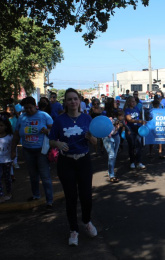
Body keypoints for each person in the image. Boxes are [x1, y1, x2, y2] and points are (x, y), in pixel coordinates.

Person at [49, 88, 97, 246]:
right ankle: (73, 230)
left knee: (86, 196)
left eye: (75, 99)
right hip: (66, 162)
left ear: (79, 100)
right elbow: (51, 140)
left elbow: (95, 142)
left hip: (83, 161)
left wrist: (91, 138)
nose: (73, 102)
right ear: (65, 102)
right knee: (70, 197)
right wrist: (58, 143)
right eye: (69, 99)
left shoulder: (87, 118)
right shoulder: (59, 120)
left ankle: (86, 221)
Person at [11, 96, 53, 206]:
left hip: (41, 151)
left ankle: (49, 200)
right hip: (27, 150)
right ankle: (36, 195)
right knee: (33, 175)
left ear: (35, 106)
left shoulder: (44, 116)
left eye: (30, 108)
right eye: (26, 108)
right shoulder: (21, 118)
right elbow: (16, 134)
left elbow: (53, 129)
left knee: (45, 176)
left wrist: (47, 130)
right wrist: (13, 150)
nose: (28, 110)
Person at [103, 109, 130, 182]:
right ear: (117, 116)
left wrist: (128, 130)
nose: (123, 117)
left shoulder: (120, 121)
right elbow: (110, 133)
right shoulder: (113, 121)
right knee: (111, 155)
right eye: (121, 116)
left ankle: (110, 171)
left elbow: (124, 124)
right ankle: (111, 174)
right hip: (108, 137)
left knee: (114, 155)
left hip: (116, 137)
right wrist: (117, 128)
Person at [124, 96, 147, 169]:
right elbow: (129, 119)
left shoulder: (136, 108)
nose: (133, 103)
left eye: (134, 101)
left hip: (137, 128)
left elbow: (140, 116)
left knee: (138, 146)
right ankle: (132, 162)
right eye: (132, 101)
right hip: (130, 129)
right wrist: (139, 121)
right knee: (131, 146)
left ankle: (139, 162)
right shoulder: (127, 110)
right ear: (129, 102)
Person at [0, 114, 13, 203]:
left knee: (7, 178)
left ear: (6, 126)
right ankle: (1, 195)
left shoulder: (10, 137)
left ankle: (8, 193)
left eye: (1, 125)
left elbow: (13, 148)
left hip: (7, 161)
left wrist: (13, 158)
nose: (0, 127)